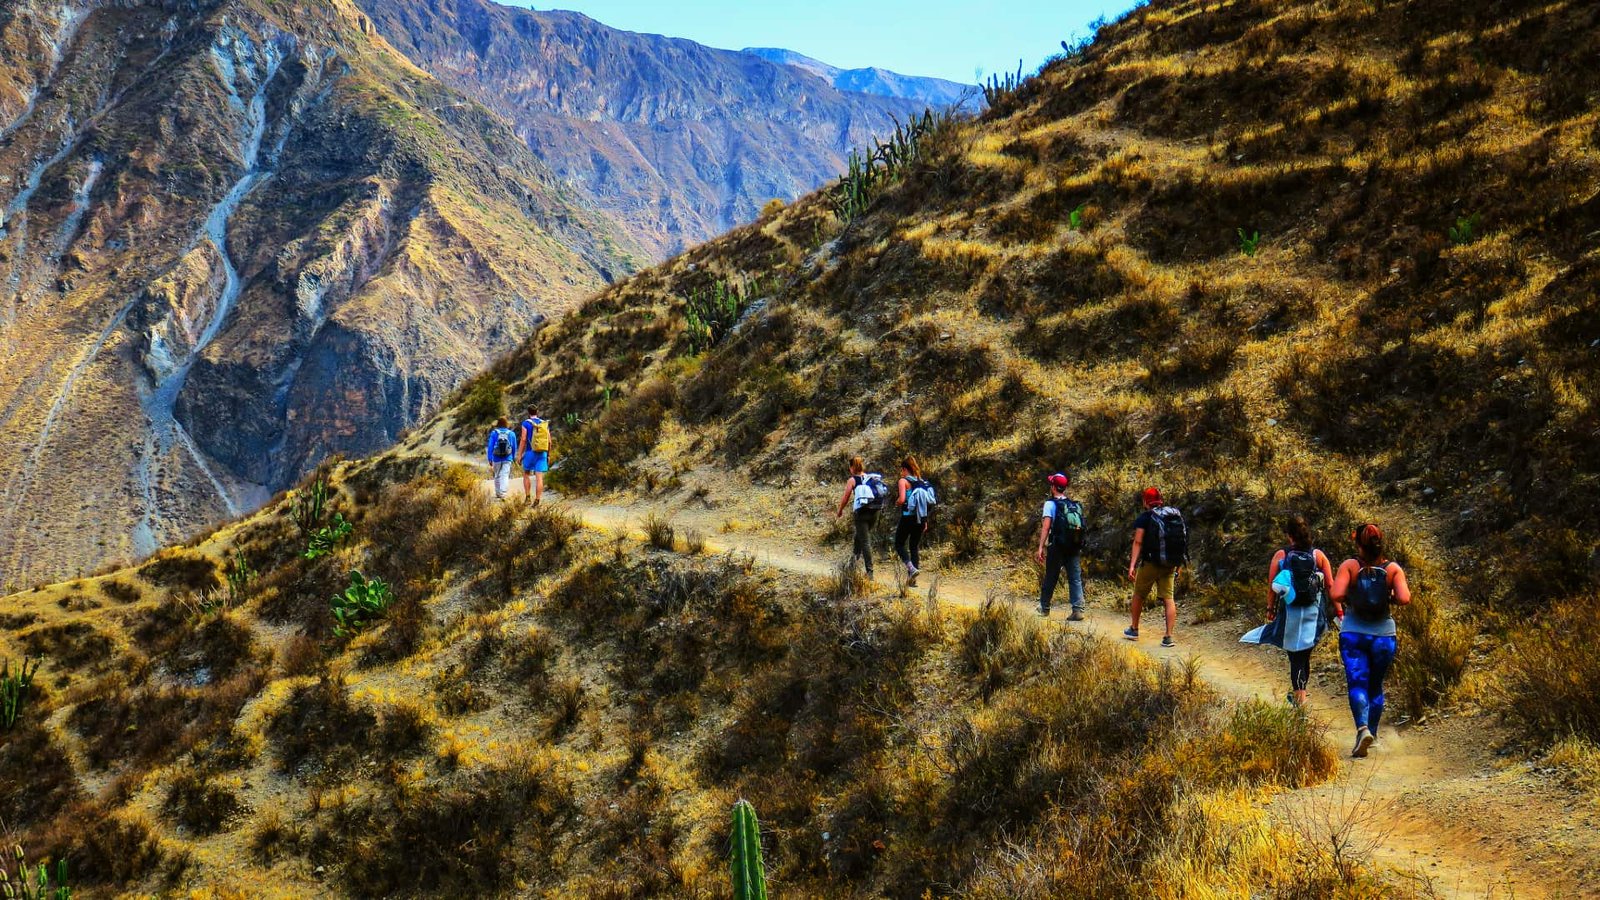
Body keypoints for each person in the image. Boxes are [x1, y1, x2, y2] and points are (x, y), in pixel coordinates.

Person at [1330, 522, 1411, 758]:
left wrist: (1352, 594)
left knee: (1357, 683)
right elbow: (1405, 598)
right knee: (1375, 686)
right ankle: (1372, 736)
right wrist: (1390, 597)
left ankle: (1362, 729)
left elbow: (1335, 594)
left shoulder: (1350, 566)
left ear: (1358, 544)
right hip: (1384, 635)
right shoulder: (1392, 569)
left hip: (1354, 632)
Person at [1241, 514, 1337, 707]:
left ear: (1289, 535)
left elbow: (1272, 586)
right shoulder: (1318, 556)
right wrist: (1339, 611)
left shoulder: (1281, 556)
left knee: (1295, 657)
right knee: (1304, 655)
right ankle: (1300, 694)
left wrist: (1270, 609)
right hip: (1314, 614)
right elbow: (1330, 585)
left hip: (1291, 613)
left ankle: (1300, 702)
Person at [1126, 486, 1185, 647]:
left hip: (1151, 563)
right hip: (1170, 563)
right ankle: (1168, 637)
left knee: (1139, 594)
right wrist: (1179, 564)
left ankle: (1134, 628)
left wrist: (1132, 565)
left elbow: (1138, 542)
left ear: (1146, 501)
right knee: (1169, 599)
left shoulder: (1145, 518)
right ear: (1160, 500)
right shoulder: (1174, 515)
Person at [1034, 472, 1086, 621]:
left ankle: (1044, 608)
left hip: (1057, 546)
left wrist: (1041, 547)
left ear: (1053, 487)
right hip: (1073, 545)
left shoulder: (1050, 504)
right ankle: (1078, 610)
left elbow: (1046, 527)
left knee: (1051, 576)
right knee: (1075, 577)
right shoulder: (1073, 504)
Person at [834, 457, 882, 580]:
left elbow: (846, 497)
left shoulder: (852, 480)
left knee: (865, 541)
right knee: (859, 538)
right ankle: (852, 566)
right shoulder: (870, 478)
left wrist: (840, 510)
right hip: (875, 512)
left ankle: (869, 573)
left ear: (852, 468)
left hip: (861, 513)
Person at [894, 456, 932, 586]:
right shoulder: (921, 482)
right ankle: (912, 580)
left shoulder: (903, 481)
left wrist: (897, 502)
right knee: (914, 547)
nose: (901, 473)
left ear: (905, 469)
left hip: (907, 518)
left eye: (901, 470)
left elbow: (902, 499)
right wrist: (925, 521)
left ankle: (911, 568)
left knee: (899, 544)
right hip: (920, 519)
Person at [517, 406, 551, 505]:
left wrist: (519, 454)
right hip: (542, 452)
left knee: (526, 474)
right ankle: (537, 500)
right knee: (539, 477)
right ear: (537, 412)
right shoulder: (544, 423)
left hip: (530, 452)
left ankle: (528, 498)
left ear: (528, 412)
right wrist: (548, 454)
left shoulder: (526, 423)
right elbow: (549, 441)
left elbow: (523, 439)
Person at [485, 417, 518, 500]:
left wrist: (489, 458)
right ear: (507, 424)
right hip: (508, 457)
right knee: (505, 474)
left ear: (498, 424)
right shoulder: (511, 433)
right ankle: (503, 492)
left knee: (497, 475)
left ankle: (498, 493)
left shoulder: (494, 433)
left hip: (496, 457)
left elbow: (490, 446)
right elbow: (514, 447)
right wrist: (514, 457)